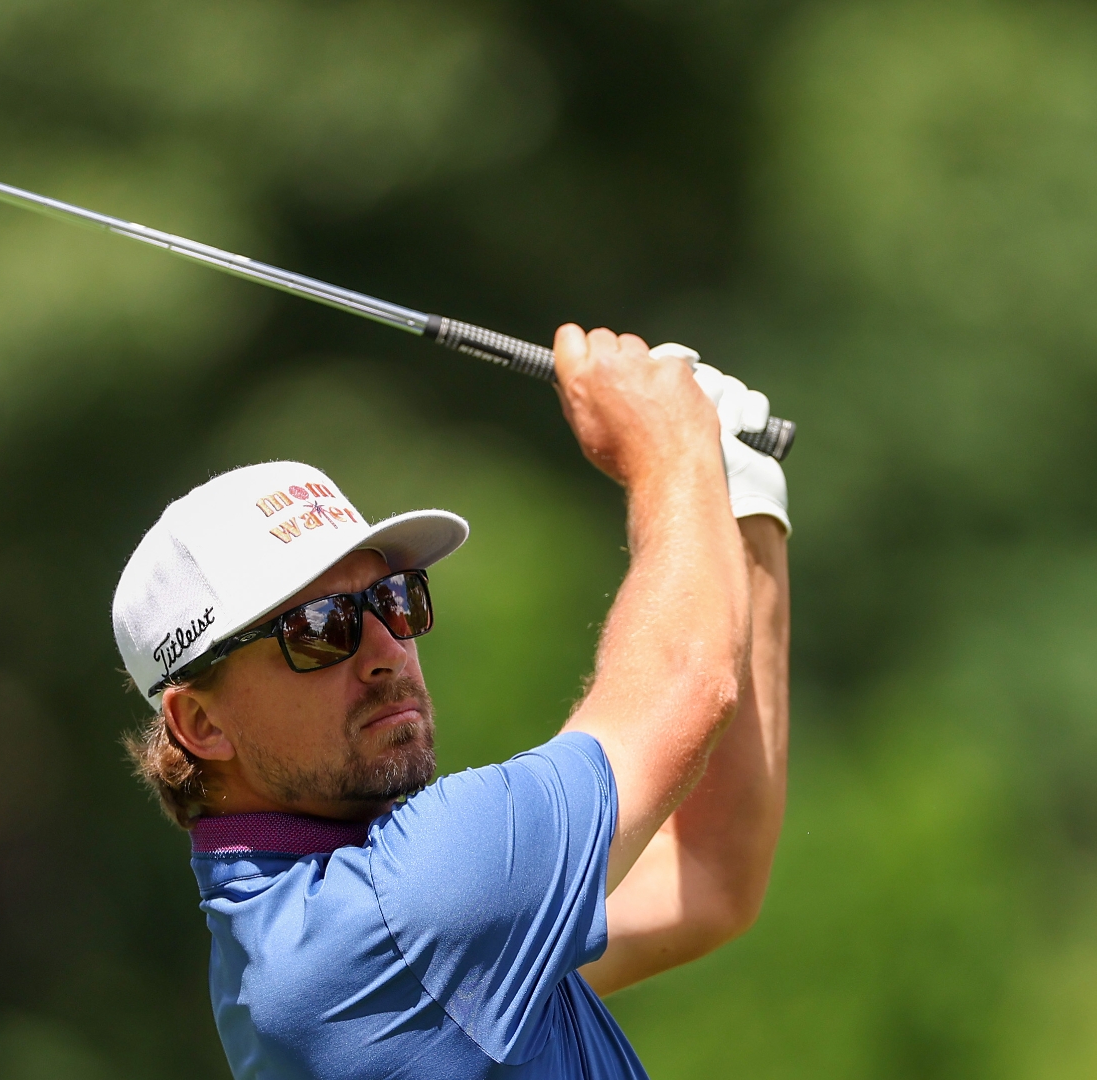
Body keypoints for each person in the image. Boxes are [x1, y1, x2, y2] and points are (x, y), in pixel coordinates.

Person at [109, 325, 790, 1078]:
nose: (385, 652)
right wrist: (670, 452)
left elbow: (708, 874)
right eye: (319, 628)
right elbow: (687, 680)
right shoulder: (401, 915)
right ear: (201, 724)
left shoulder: (299, 941)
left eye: (392, 600)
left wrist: (738, 493)